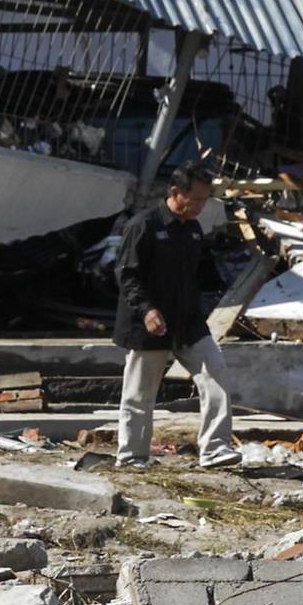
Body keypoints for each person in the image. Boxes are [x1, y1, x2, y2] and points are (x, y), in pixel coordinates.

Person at [113, 164, 241, 469]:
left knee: (215, 372)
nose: (200, 206)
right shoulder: (143, 226)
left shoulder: (193, 230)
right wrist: (146, 310)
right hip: (150, 324)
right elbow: (126, 275)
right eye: (195, 199)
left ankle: (215, 449)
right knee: (140, 393)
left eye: (204, 200)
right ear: (175, 192)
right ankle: (132, 457)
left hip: (188, 322)